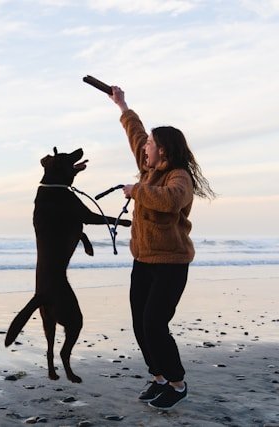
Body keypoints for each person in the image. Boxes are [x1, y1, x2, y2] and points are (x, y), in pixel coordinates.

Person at [109, 85, 215, 410]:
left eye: (152, 145)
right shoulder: (149, 170)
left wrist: (137, 191)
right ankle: (158, 377)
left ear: (164, 151)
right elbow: (136, 134)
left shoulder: (179, 178)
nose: (145, 149)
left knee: (155, 323)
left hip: (171, 263)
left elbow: (170, 201)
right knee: (141, 322)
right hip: (143, 261)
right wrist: (122, 105)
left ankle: (177, 383)